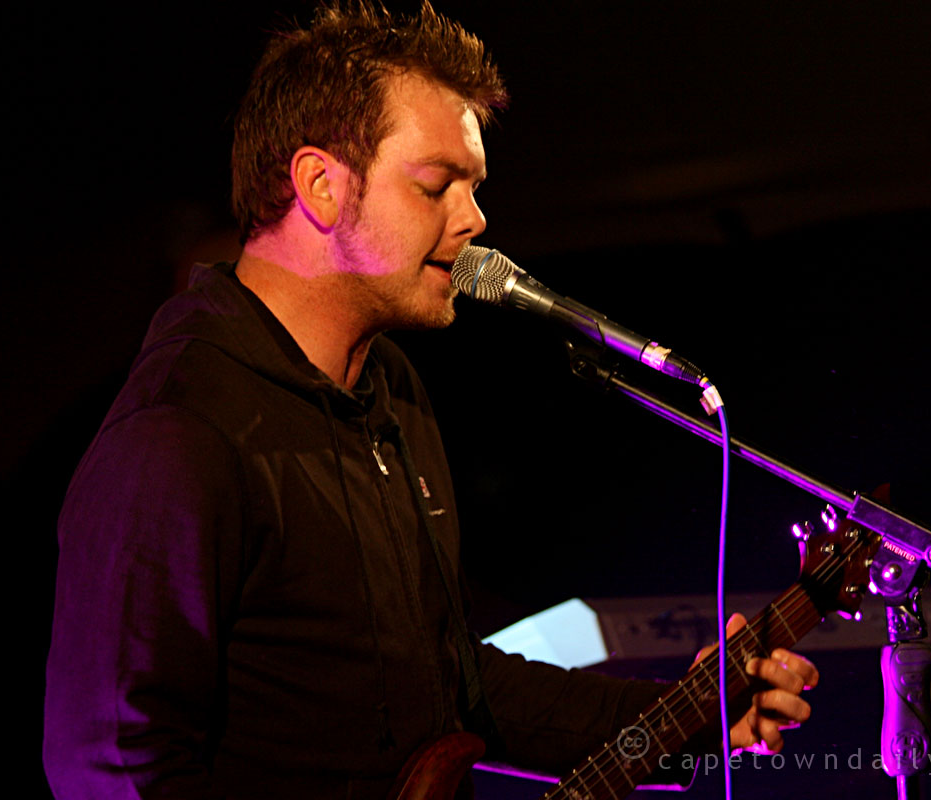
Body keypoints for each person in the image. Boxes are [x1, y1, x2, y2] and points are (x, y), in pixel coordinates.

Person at [43, 3, 818, 797]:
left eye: (472, 187)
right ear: (320, 185)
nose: (474, 219)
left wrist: (685, 721)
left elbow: (449, 685)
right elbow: (109, 765)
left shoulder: (392, 391)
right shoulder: (179, 431)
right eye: (436, 185)